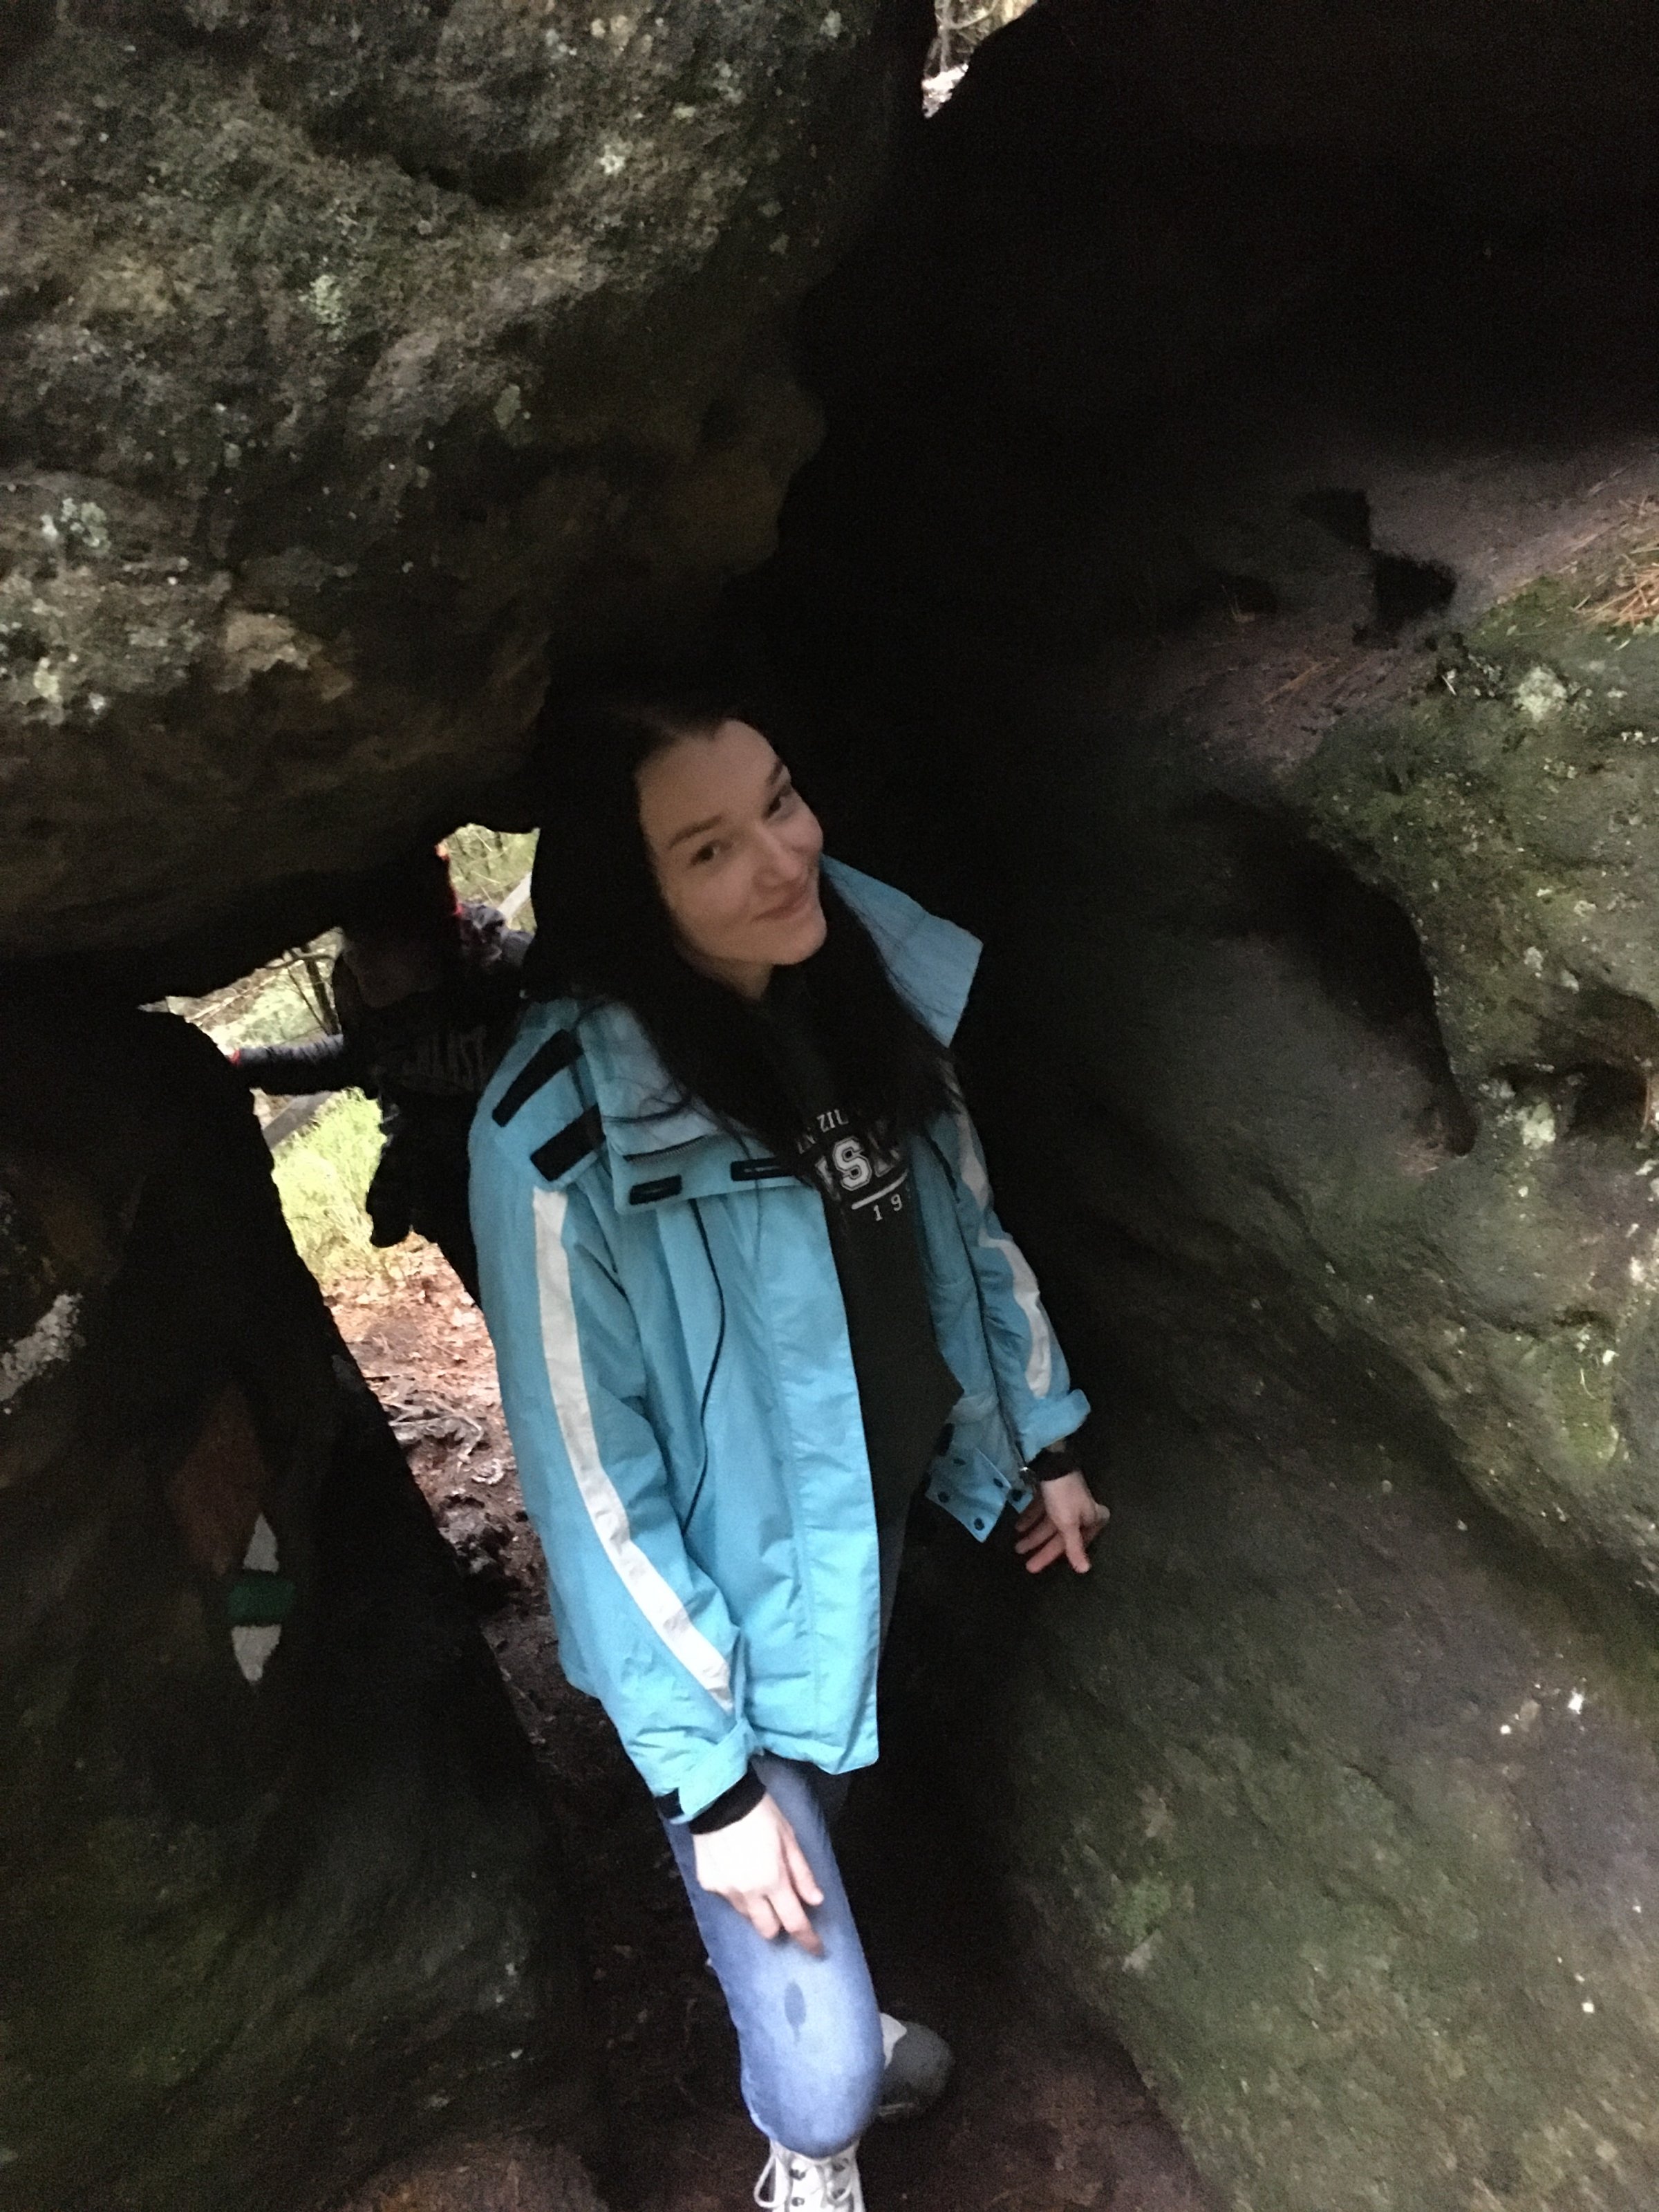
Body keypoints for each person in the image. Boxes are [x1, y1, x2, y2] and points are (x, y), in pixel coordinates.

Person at [468, 689, 1107, 2212]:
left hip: (863, 1535)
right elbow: (590, 1484)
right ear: (631, 900)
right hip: (717, 1618)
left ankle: (828, 1999)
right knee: (824, 2071)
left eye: (781, 799)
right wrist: (712, 1790)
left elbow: (965, 1224)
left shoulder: (856, 975)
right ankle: (809, 2131)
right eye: (709, 848)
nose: (781, 856)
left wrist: (1046, 1436)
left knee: (838, 1794)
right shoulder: (556, 1135)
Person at [235, 845, 529, 1299]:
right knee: (508, 1310)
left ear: (425, 941)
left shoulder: (512, 977)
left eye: (374, 944)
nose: (357, 961)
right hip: (452, 1193)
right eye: (351, 944)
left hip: (536, 1173)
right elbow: (357, 1058)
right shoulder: (366, 1001)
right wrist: (248, 1065)